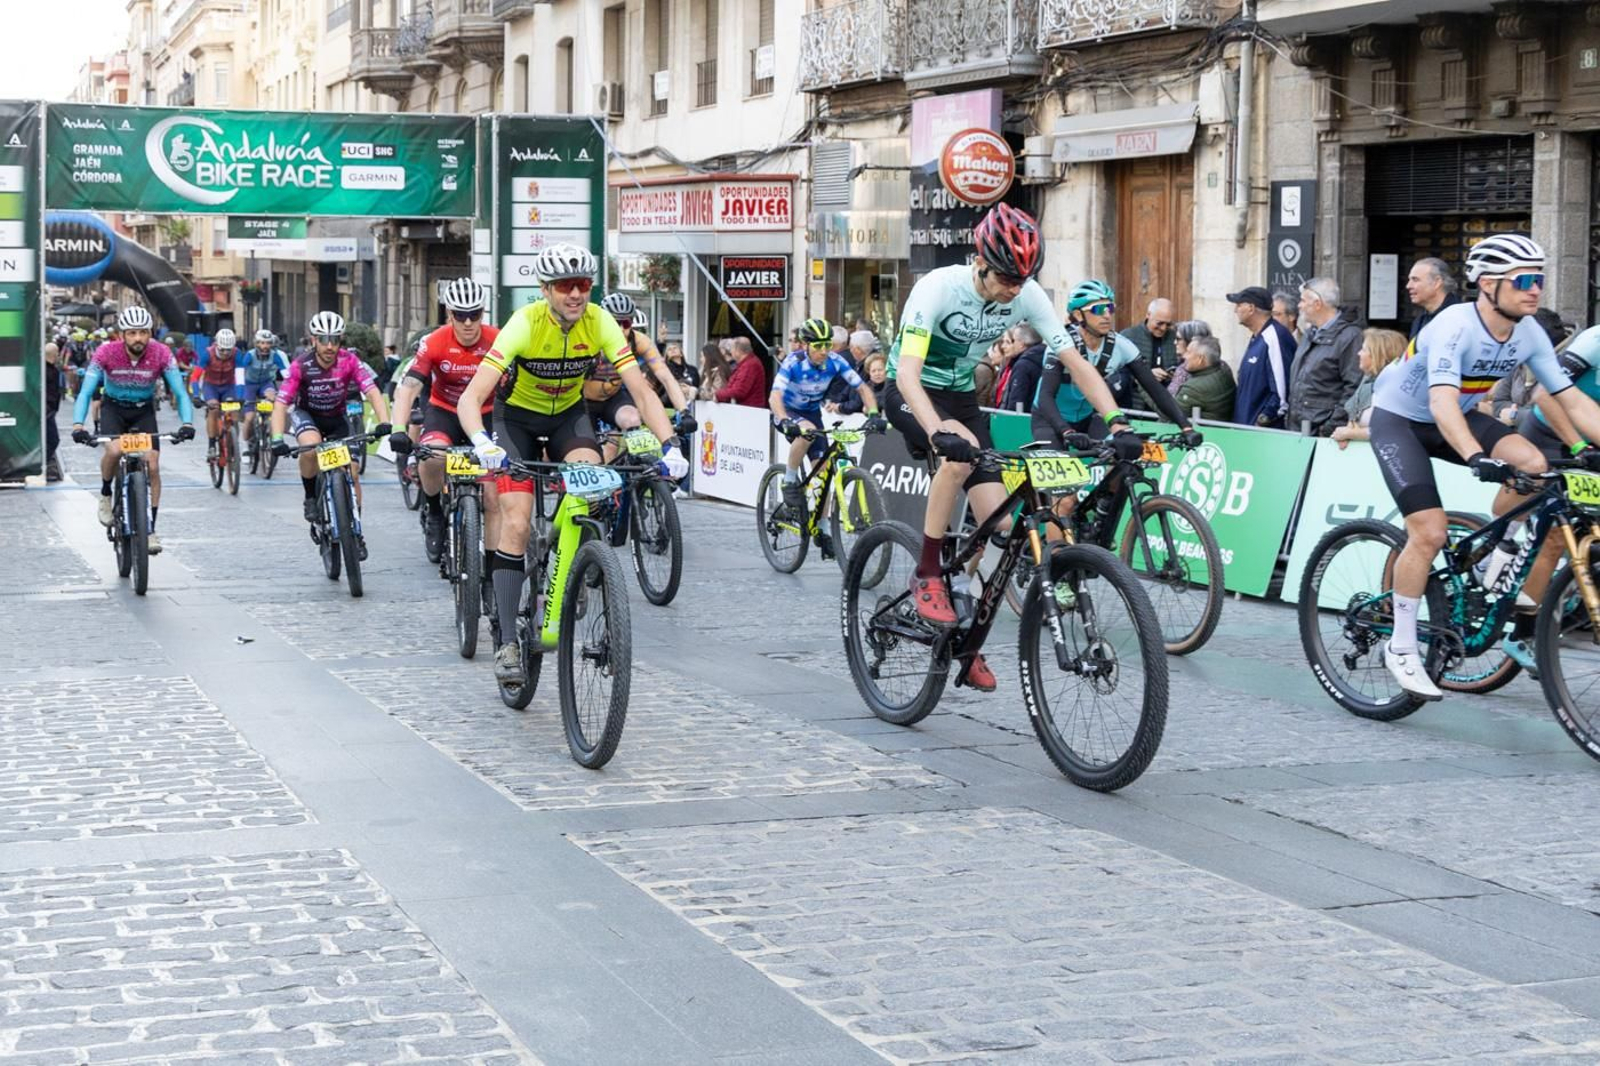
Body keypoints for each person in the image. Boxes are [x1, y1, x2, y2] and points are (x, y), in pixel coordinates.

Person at [885, 205, 1135, 692]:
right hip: (913, 391)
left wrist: (1117, 420)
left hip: (959, 396)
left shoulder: (1027, 293)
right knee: (959, 457)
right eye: (1006, 276)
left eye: (1023, 277)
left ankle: (961, 618)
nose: (1015, 287)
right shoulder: (938, 287)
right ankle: (929, 572)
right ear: (980, 261)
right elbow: (906, 375)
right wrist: (937, 431)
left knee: (999, 518)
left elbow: (1078, 364)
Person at [1367, 233, 1600, 700]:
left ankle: (1499, 547)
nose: (1536, 289)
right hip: (1402, 421)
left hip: (1457, 415)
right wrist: (1476, 456)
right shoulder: (1455, 325)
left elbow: (1569, 397)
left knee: (1534, 462)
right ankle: (1403, 643)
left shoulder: (1530, 331)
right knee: (1429, 532)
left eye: (1540, 280)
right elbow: (1440, 401)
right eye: (1526, 281)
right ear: (1489, 285)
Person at [452, 243, 688, 682]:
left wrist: (670, 444)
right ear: (545, 290)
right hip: (515, 421)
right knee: (517, 523)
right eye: (565, 286)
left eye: (583, 285)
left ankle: (572, 560)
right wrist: (483, 442)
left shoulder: (600, 322)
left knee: (592, 487)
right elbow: (471, 398)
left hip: (568, 417)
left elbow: (639, 389)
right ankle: (506, 640)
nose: (576, 294)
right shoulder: (524, 324)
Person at [388, 278, 502, 566]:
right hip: (445, 411)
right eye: (460, 315)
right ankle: (435, 511)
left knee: (492, 494)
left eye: (474, 315)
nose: (467, 323)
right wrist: (399, 429)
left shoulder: (497, 339)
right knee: (433, 456)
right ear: (449, 314)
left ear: (482, 313)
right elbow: (409, 387)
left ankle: (489, 567)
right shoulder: (435, 341)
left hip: (487, 414)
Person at [1032, 278, 1201, 464]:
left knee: (1127, 459)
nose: (1106, 315)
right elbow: (1045, 396)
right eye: (1098, 310)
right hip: (1050, 420)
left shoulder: (1121, 346)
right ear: (1079, 315)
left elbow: (1155, 389)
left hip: (1088, 418)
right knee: (1065, 488)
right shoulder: (1061, 344)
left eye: (1110, 308)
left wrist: (1185, 426)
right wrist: (1066, 431)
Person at [70, 306, 196, 554]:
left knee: (153, 463)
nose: (138, 338)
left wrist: (187, 423)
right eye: (132, 333)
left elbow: (180, 392)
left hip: (143, 411)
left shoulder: (162, 353)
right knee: (115, 450)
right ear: (122, 334)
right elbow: (85, 391)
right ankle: (106, 494)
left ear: (150, 332)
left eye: (143, 332)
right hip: (114, 409)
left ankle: (150, 530)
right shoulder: (106, 352)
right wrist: (77, 425)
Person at [269, 311, 393, 557]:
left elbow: (372, 391)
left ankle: (355, 532)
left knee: (353, 471)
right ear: (313, 340)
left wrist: (385, 422)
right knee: (311, 447)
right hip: (309, 417)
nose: (329, 345)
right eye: (323, 339)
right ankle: (309, 497)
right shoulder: (301, 365)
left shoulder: (349, 361)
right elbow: (282, 403)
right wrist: (276, 439)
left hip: (337, 419)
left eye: (335, 339)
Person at [769, 317, 884, 525]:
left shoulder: (835, 361)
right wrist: (785, 420)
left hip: (812, 412)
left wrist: (874, 414)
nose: (824, 351)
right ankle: (788, 481)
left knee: (824, 474)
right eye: (818, 345)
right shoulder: (793, 362)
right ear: (805, 345)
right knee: (808, 432)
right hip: (786, 411)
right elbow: (774, 396)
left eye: (828, 345)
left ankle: (823, 529)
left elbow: (863, 388)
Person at [586, 293, 695, 458]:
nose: (621, 329)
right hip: (583, 400)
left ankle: (631, 471)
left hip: (613, 398)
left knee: (632, 419)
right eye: (616, 322)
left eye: (626, 323)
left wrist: (684, 411)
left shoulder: (639, 341)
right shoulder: (589, 339)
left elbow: (665, 377)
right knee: (583, 452)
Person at [1287, 277, 1364, 436]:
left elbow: (1355, 388)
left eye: (1303, 300)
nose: (1299, 306)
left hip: (1323, 434)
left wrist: (1330, 427)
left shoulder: (1350, 336)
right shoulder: (1310, 334)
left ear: (1317, 304)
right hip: (1300, 430)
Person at [1228, 286, 1296, 428]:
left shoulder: (1274, 337)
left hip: (1263, 435)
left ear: (1251, 308)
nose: (1236, 310)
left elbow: (1282, 392)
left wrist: (1263, 420)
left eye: (1239, 305)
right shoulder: (1258, 337)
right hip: (1247, 429)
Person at [1330, 328, 1407, 448]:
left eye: (1364, 349)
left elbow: (1394, 431)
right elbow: (1354, 420)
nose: (1358, 353)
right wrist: (1346, 434)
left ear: (1379, 355)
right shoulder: (1367, 382)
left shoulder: (1397, 388)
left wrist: (1352, 433)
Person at [195, 328, 249, 459]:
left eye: (228, 350)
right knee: (213, 409)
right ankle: (212, 445)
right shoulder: (207, 354)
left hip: (228, 386)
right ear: (216, 346)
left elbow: (240, 378)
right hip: (211, 386)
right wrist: (196, 395)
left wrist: (240, 397)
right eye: (222, 350)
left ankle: (232, 439)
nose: (225, 353)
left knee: (234, 411)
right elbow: (195, 377)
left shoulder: (237, 354)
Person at [240, 329, 290, 451]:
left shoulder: (275, 355)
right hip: (250, 385)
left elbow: (286, 374)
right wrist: (240, 392)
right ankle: (246, 447)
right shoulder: (250, 355)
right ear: (256, 343)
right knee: (250, 417)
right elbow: (240, 372)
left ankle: (268, 426)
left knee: (272, 400)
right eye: (262, 343)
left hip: (265, 384)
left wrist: (290, 388)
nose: (265, 346)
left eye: (268, 343)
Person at [1122, 298, 1178, 403]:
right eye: (1159, 323)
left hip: (1167, 405)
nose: (1163, 328)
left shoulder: (1175, 338)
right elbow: (1116, 372)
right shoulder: (1128, 336)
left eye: (1168, 324)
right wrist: (1146, 376)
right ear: (1148, 315)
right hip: (1135, 404)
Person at [1172, 335, 1236, 422]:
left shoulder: (1193, 388)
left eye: (1188, 352)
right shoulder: (1224, 369)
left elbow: (1169, 416)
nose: (1184, 356)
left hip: (1206, 432)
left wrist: (1149, 386)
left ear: (1200, 359)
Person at [1406, 256, 1461, 339]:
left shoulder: (1460, 318)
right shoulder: (1420, 320)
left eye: (1415, 279)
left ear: (1437, 282)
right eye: (1409, 280)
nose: (1408, 286)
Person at [997, 324, 1044, 413]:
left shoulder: (1022, 365)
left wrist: (1011, 421)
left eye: (1013, 341)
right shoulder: (1045, 358)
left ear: (1021, 344)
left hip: (1022, 421)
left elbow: (1017, 401)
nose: (1003, 346)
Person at [1163, 320, 1213, 399]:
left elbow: (1168, 403)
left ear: (1191, 341)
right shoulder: (1218, 364)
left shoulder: (1184, 369)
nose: (1174, 342)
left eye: (1178, 339)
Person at [715, 336, 767, 407]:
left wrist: (717, 394)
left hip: (750, 411)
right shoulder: (746, 363)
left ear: (738, 350)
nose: (730, 351)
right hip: (745, 409)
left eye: (732, 348)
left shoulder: (750, 365)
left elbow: (739, 391)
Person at [43, 342, 63, 481]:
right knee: (53, 439)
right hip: (46, 411)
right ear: (54, 354)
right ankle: (43, 465)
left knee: (50, 440)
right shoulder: (45, 370)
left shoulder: (52, 369)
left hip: (49, 410)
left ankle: (44, 465)